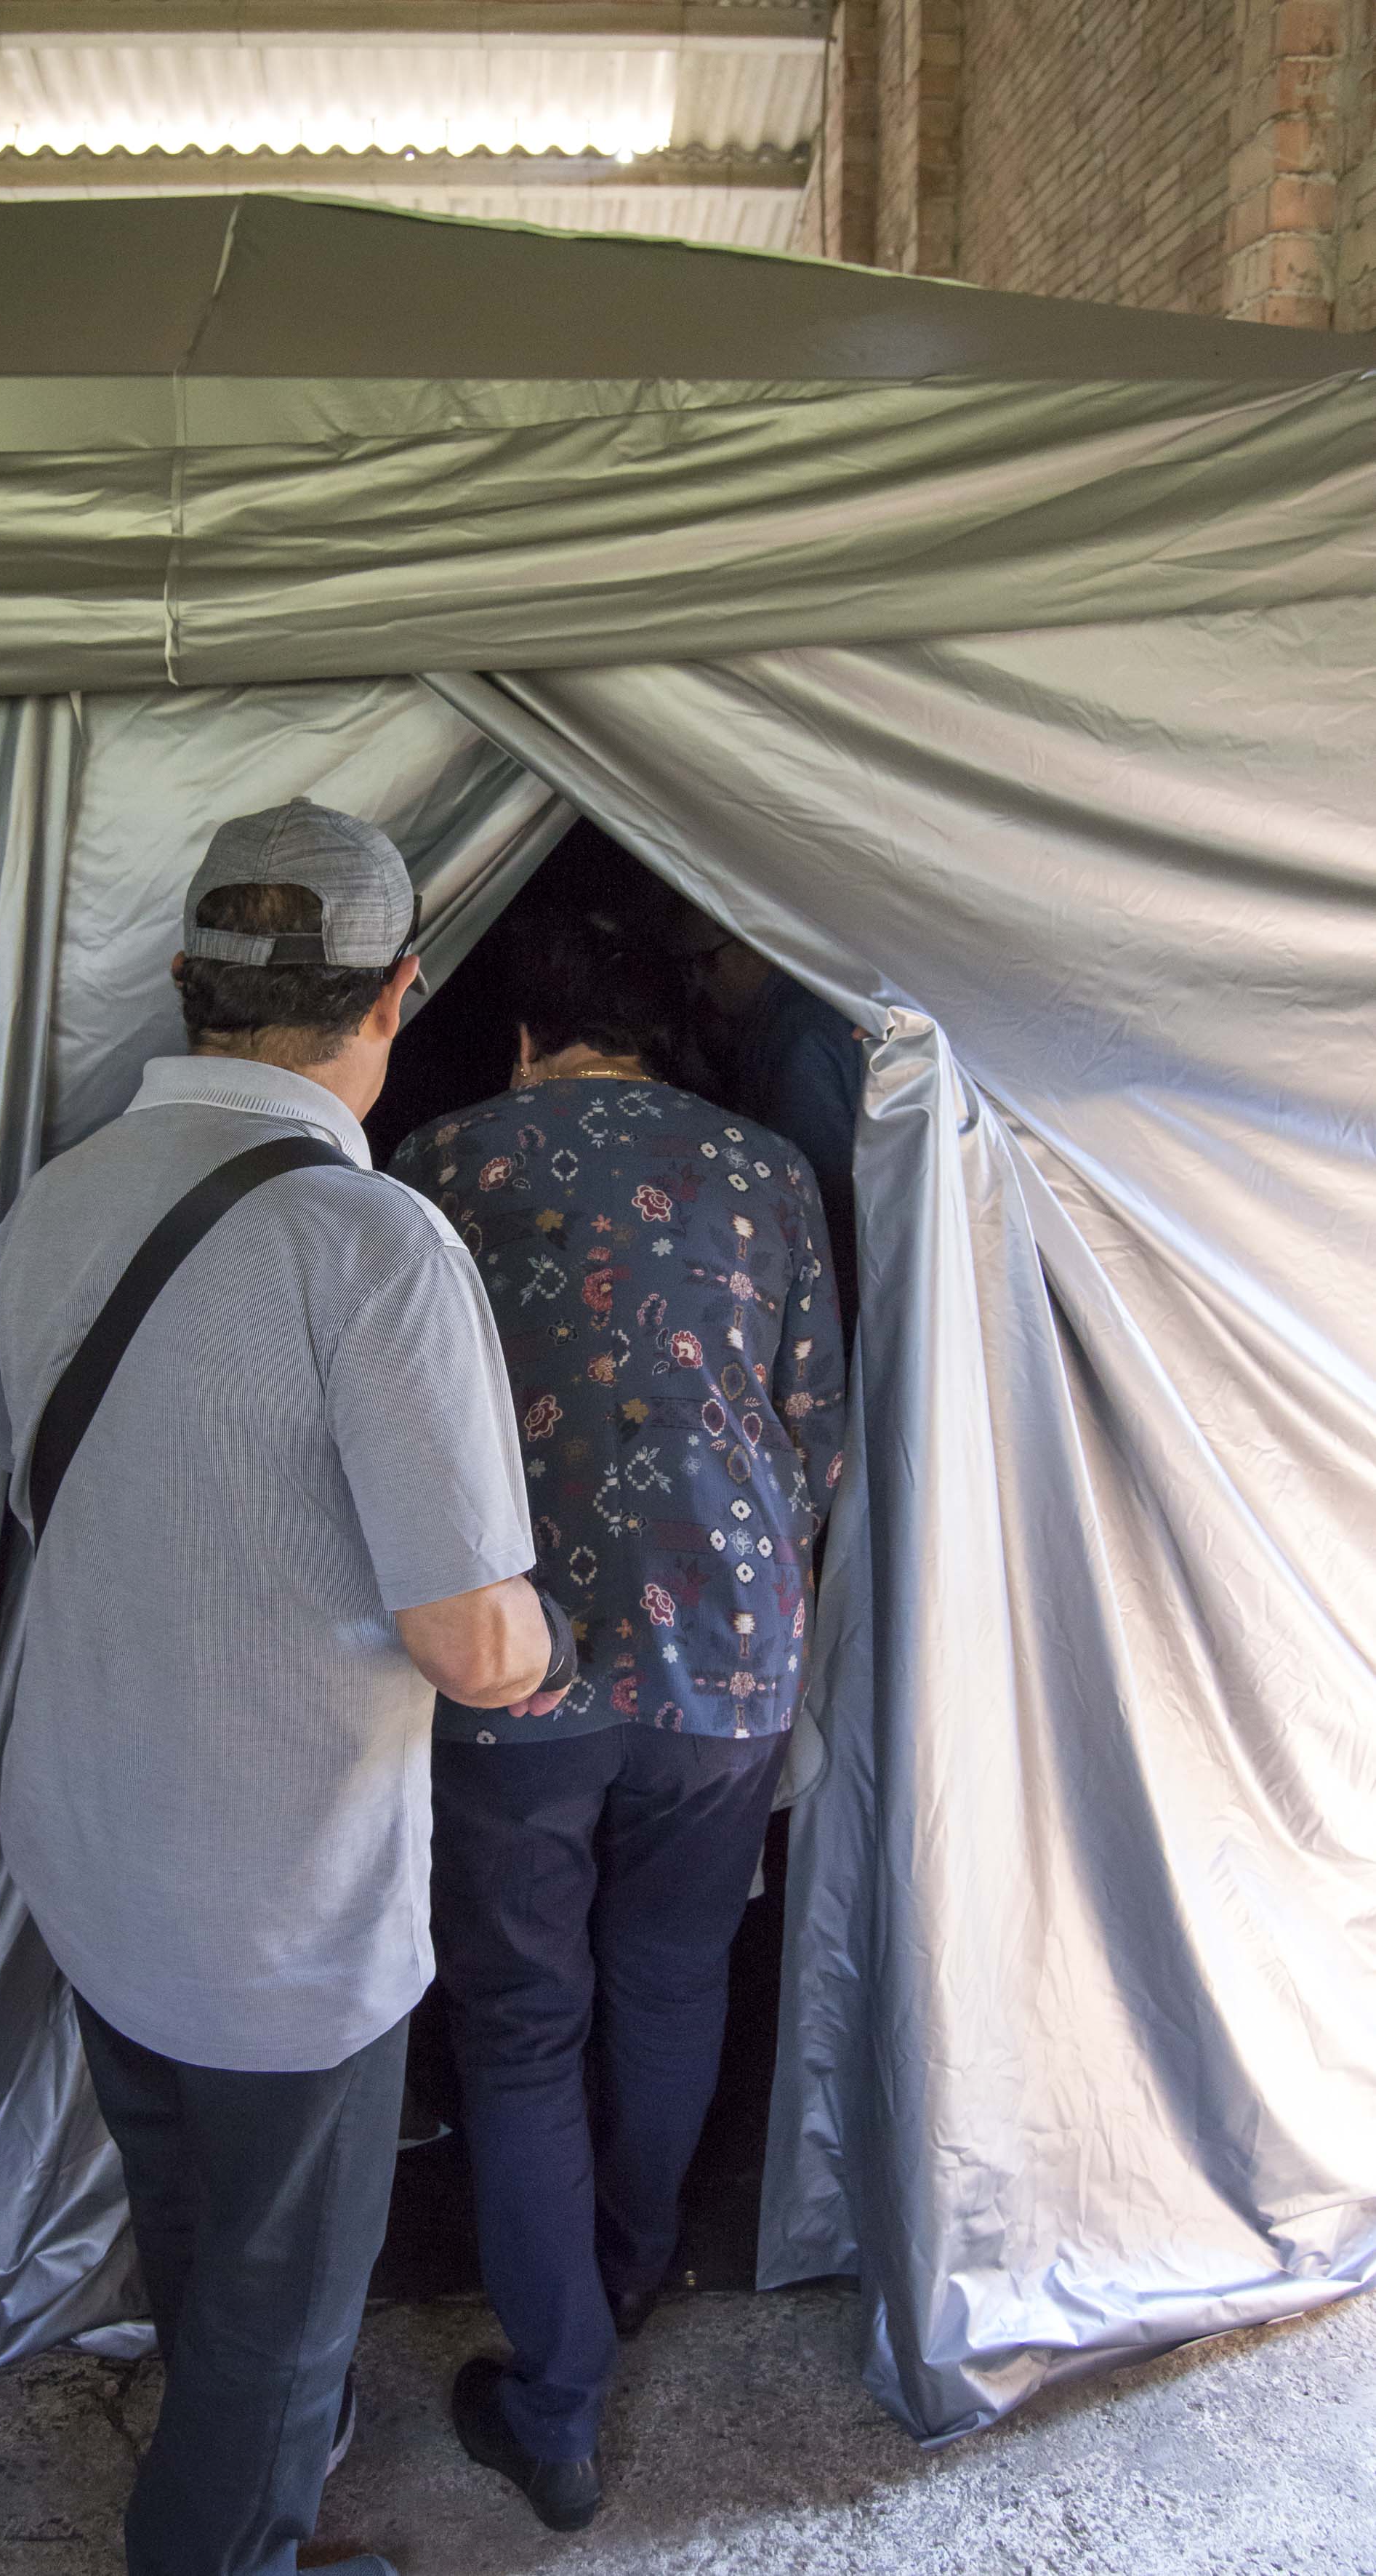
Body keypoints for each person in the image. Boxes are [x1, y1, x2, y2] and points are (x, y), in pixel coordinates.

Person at [0, 799, 576, 2576]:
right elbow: (469, 1639)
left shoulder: (56, 1199)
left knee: (195, 2237)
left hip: (88, 1846)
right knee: (281, 2323)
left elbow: (34, 1491)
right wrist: (557, 1643)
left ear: (184, 978)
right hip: (278, 1914)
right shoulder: (372, 1243)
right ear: (394, 993)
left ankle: (239, 2449)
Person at [389, 909, 845, 2532]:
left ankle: (557, 2395)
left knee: (520, 2020)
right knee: (670, 1976)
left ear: (525, 1036)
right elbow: (819, 1435)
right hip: (727, 1657)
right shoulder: (766, 1169)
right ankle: (633, 2266)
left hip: (513, 1664)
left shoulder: (437, 1165)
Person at [672, 911, 864, 1329]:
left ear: (752, 946)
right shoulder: (797, 1016)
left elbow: (818, 1196)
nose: (700, 984)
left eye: (707, 962)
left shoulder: (796, 1037)